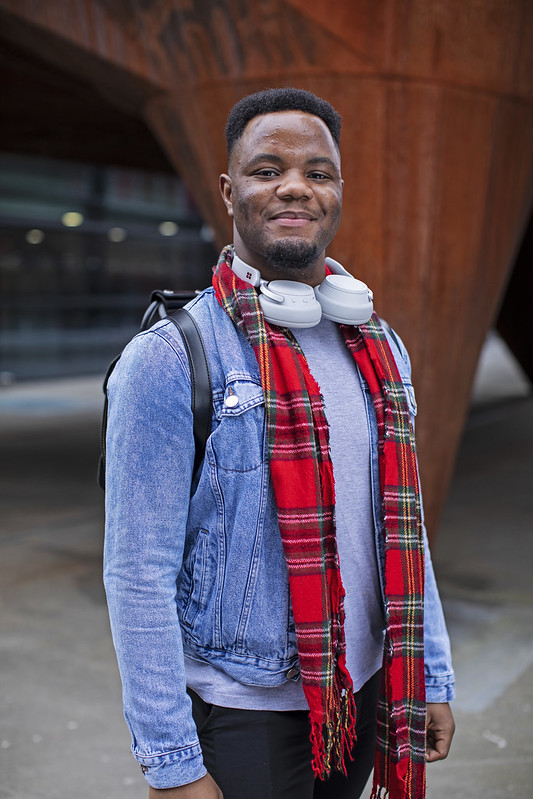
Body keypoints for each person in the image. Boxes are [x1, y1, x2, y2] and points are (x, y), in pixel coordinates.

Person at [104, 88, 455, 799]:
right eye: (268, 169)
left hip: (364, 692)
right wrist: (172, 764)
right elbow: (136, 574)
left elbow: (402, 527)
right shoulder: (170, 358)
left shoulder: (380, 347)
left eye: (316, 172)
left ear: (337, 191)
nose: (294, 185)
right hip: (245, 714)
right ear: (230, 192)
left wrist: (432, 674)